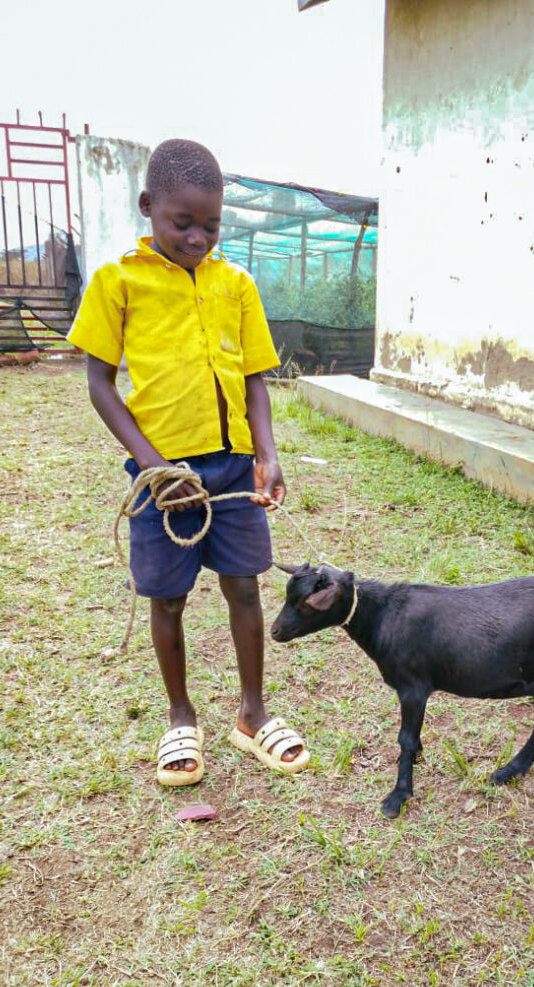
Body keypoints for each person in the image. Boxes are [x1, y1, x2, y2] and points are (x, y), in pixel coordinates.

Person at [68, 138, 309, 786]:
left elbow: (255, 380)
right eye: (183, 223)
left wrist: (267, 455)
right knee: (168, 599)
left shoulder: (236, 285)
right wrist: (154, 468)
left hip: (232, 470)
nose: (198, 238)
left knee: (245, 588)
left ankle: (253, 715)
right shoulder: (117, 283)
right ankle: (180, 717)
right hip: (162, 480)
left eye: (211, 226)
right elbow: (99, 385)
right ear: (148, 206)